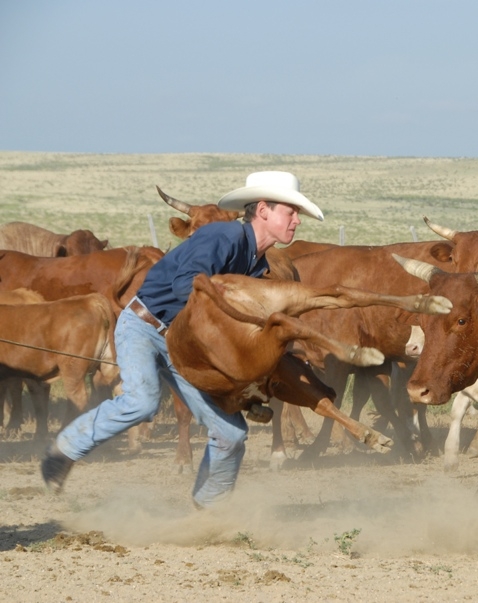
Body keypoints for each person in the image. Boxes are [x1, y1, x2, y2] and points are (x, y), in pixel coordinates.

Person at [40, 171, 324, 508]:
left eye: (297, 214)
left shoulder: (255, 260)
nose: (297, 221)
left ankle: (208, 510)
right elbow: (184, 286)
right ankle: (63, 451)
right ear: (263, 210)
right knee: (142, 402)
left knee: (231, 433)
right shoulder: (224, 236)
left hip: (184, 345)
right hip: (145, 326)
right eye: (291, 212)